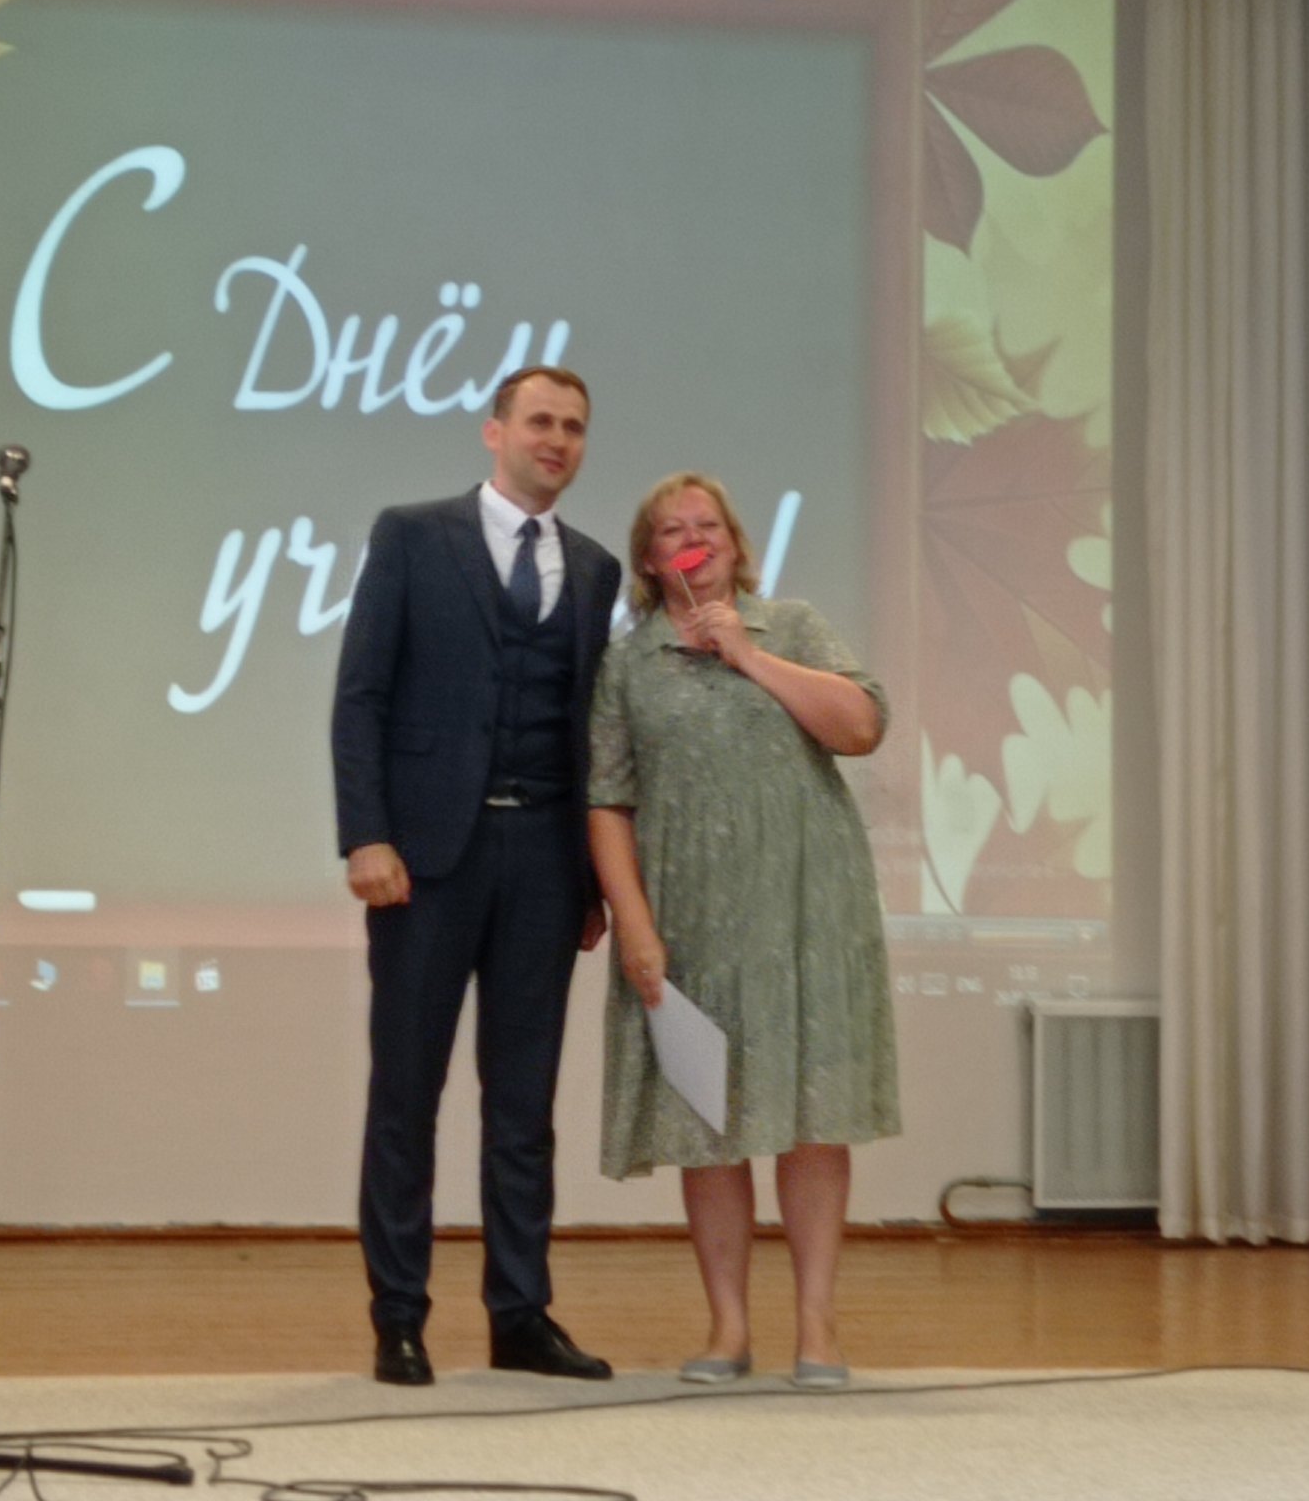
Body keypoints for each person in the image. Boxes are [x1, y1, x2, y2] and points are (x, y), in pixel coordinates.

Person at [332, 365, 622, 1387]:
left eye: (574, 427)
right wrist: (366, 835)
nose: (557, 439)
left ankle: (520, 1315)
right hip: (424, 861)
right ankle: (399, 1318)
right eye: (540, 420)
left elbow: (588, 731)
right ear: (494, 431)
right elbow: (361, 696)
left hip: (544, 862)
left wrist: (592, 881)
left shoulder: (595, 568)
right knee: (406, 1094)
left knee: (524, 1104)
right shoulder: (414, 535)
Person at [587, 472, 899, 1388]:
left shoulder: (790, 626)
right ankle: (727, 1325)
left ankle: (817, 1325)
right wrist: (633, 923)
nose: (694, 537)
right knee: (708, 1122)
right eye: (672, 529)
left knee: (813, 1120)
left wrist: (747, 653)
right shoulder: (627, 662)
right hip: (691, 918)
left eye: (708, 524)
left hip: (807, 909)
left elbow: (861, 727)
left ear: (733, 543)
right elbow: (607, 800)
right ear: (651, 559)